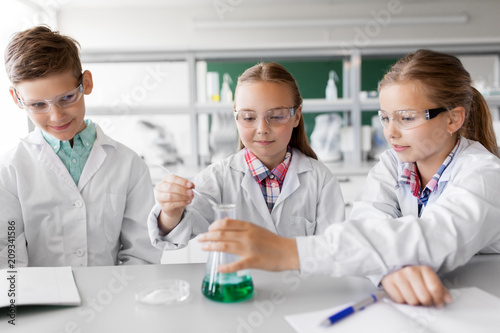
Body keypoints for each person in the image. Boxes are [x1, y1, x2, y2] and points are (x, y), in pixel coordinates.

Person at [198, 49, 500, 307]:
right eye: (385, 117)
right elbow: (365, 227)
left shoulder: (484, 174)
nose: (390, 132)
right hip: (420, 304)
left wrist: (289, 252)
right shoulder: (393, 165)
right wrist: (387, 272)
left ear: (453, 118)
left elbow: (435, 237)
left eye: (406, 118)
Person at [0, 26, 162, 267]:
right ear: (17, 99)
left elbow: (141, 255)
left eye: (66, 98)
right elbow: (8, 260)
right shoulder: (10, 171)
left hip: (114, 300)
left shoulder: (129, 165)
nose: (56, 117)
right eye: (37, 105)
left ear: (86, 83)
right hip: (38, 302)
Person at [148, 62, 345, 251]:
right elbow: (172, 234)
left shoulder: (320, 180)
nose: (262, 129)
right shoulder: (219, 178)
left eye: (276, 116)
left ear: (296, 116)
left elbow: (333, 251)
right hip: (238, 285)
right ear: (236, 118)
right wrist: (170, 211)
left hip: (303, 286)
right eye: (249, 118)